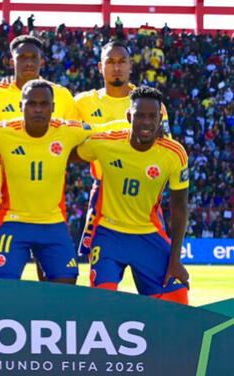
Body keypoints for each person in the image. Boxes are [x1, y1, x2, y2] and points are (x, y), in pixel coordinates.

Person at [70, 86, 190, 304]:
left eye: (152, 116)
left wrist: (175, 260)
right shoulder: (105, 142)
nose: (146, 122)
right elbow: (66, 154)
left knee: (179, 303)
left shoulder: (174, 153)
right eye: (140, 115)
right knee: (102, 303)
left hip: (148, 234)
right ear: (128, 117)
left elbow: (180, 209)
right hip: (108, 233)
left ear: (160, 118)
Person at [0, 80, 88, 283]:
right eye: (31, 103)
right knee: (1, 286)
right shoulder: (0, 132)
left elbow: (105, 131)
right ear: (21, 106)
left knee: (67, 288)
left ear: (53, 108)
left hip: (52, 223)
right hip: (14, 221)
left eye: (44, 103)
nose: (38, 109)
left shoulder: (68, 131)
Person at [74, 40, 169, 256]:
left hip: (144, 195)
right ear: (101, 66)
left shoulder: (150, 103)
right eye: (110, 62)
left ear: (130, 65)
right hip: (104, 196)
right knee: (101, 271)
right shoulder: (82, 103)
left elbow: (165, 147)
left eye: (122, 62)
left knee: (153, 271)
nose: (116, 67)